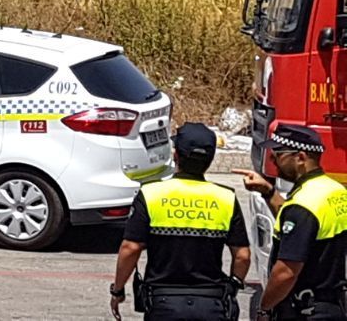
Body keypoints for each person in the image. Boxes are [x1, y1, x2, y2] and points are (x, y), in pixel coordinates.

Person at [110, 122, 250, 321]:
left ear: (176, 156)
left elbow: (131, 248)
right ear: (210, 161)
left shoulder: (151, 194)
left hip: (162, 303)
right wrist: (233, 286)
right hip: (211, 304)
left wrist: (118, 290)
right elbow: (242, 256)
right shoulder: (225, 197)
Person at [238, 124, 347, 320]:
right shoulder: (334, 190)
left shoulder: (302, 206)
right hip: (333, 305)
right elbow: (303, 228)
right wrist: (269, 192)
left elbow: (286, 273)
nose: (273, 161)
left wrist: (264, 308)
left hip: (304, 310)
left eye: (278, 155)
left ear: (301, 158)